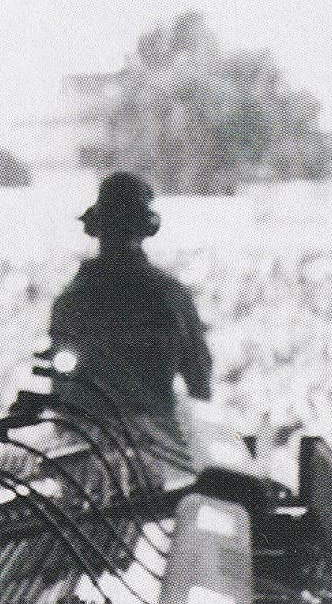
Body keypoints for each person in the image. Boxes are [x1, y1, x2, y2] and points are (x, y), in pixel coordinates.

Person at [49, 169, 213, 428]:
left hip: (88, 440)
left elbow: (61, 391)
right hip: (155, 441)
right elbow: (200, 383)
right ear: (146, 228)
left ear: (96, 228)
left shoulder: (72, 300)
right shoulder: (171, 296)